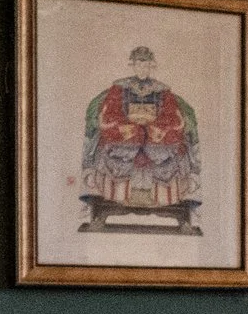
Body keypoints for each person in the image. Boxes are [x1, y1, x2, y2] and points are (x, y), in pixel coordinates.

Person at [80, 46, 199, 225]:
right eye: (138, 65)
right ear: (133, 65)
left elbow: (174, 118)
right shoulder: (119, 88)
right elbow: (108, 115)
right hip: (126, 135)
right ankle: (112, 199)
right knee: (116, 147)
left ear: (151, 66)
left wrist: (157, 130)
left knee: (168, 149)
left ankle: (167, 200)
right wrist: (128, 128)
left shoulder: (162, 91)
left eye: (146, 66)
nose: (142, 70)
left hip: (155, 135)